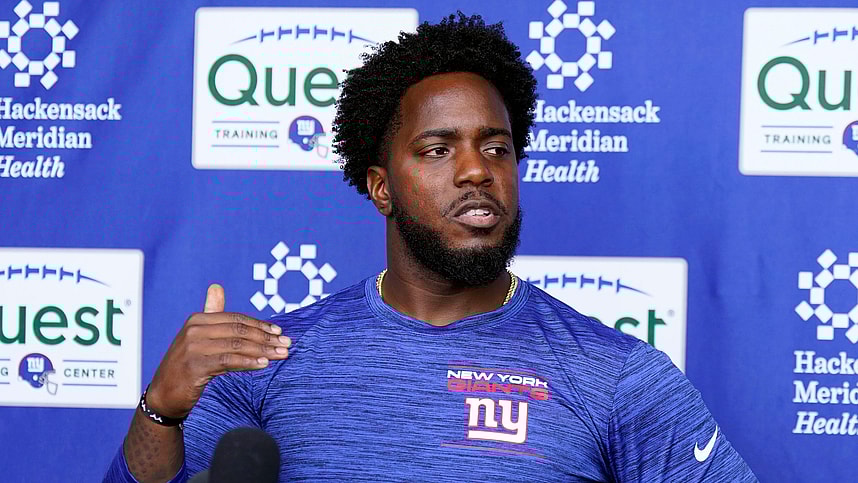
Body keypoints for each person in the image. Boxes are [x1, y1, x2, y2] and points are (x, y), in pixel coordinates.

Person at [104, 12, 757, 482]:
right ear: (382, 187)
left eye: (496, 147)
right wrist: (160, 411)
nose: (477, 170)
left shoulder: (616, 375)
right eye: (438, 149)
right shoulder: (268, 358)